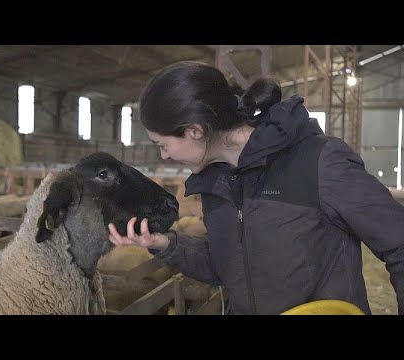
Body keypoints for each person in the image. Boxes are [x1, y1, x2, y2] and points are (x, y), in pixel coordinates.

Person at [107, 60, 404, 315]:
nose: (164, 156)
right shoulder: (217, 182)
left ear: (195, 131)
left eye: (163, 144)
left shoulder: (320, 162)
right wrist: (166, 244)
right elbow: (228, 268)